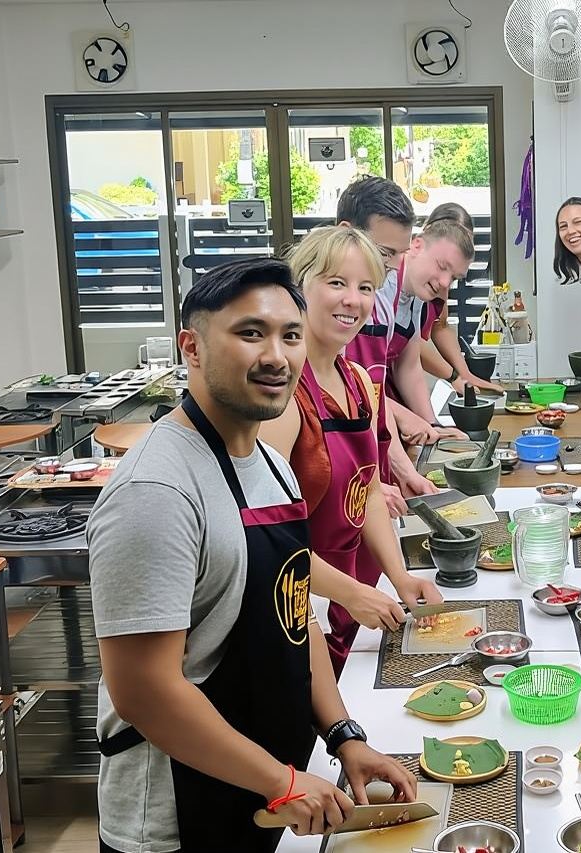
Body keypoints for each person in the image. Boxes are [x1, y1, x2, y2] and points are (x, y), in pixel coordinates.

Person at [90, 257, 415, 853]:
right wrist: (281, 780)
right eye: (250, 333)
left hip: (260, 791)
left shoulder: (268, 466)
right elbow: (144, 691)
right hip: (177, 817)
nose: (276, 355)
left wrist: (344, 736)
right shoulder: (156, 491)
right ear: (191, 346)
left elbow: (294, 616)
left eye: (289, 335)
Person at [263, 226, 442, 676]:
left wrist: (397, 576)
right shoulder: (282, 398)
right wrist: (349, 593)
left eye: (365, 288)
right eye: (336, 283)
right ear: (299, 287)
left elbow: (367, 494)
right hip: (296, 608)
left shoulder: (360, 382)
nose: (353, 300)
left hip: (353, 597)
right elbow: (267, 540)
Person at [335, 177, 439, 508]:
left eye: (400, 253)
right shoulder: (319, 312)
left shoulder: (384, 288)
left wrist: (402, 470)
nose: (394, 265)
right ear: (345, 233)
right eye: (385, 252)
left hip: (371, 475)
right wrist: (370, 488)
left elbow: (372, 399)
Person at [384, 218, 476, 425]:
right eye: (442, 266)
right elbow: (359, 382)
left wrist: (431, 424)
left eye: (453, 278)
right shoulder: (380, 288)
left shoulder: (416, 295)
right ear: (417, 245)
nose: (445, 282)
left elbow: (408, 365)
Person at [418, 202, 505, 396]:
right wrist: (454, 376)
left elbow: (439, 326)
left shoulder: (442, 279)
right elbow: (409, 343)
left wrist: (465, 374)